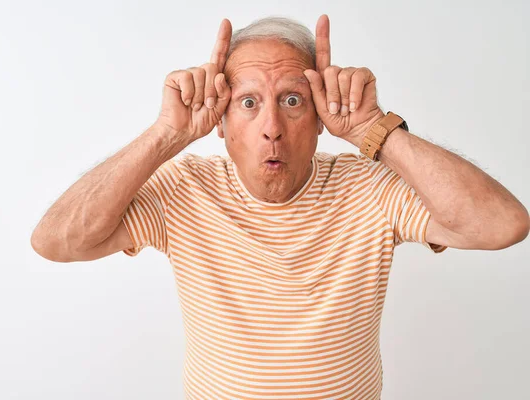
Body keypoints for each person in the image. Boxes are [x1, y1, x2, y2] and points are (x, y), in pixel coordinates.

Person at [31, 14, 529, 400]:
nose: (271, 126)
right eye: (248, 102)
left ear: (319, 118)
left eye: (292, 100)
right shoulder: (183, 190)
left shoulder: (370, 189)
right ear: (220, 122)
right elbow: (57, 240)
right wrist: (167, 135)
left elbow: (502, 224)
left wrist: (374, 128)